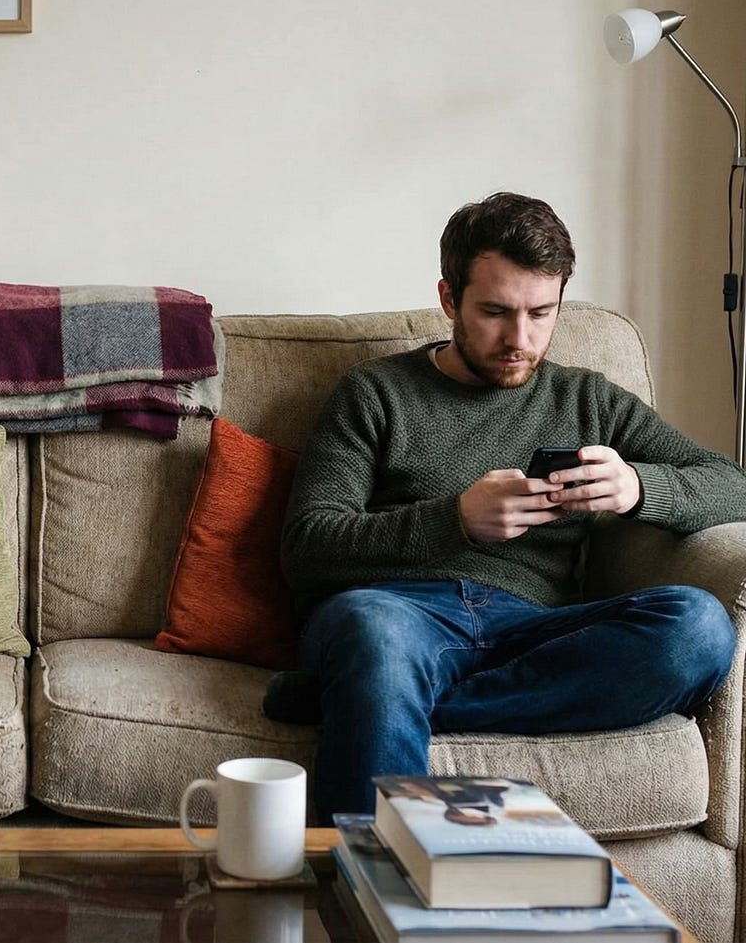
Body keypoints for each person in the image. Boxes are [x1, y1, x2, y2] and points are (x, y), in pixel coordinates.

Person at [266, 191, 746, 827]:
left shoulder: (588, 400)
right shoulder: (375, 393)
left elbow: (732, 484)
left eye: (541, 313)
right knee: (374, 638)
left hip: (530, 631)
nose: (520, 340)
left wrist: (637, 487)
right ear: (448, 299)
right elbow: (307, 546)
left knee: (699, 628)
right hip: (394, 615)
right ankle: (372, 884)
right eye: (494, 312)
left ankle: (369, 702)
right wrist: (455, 520)